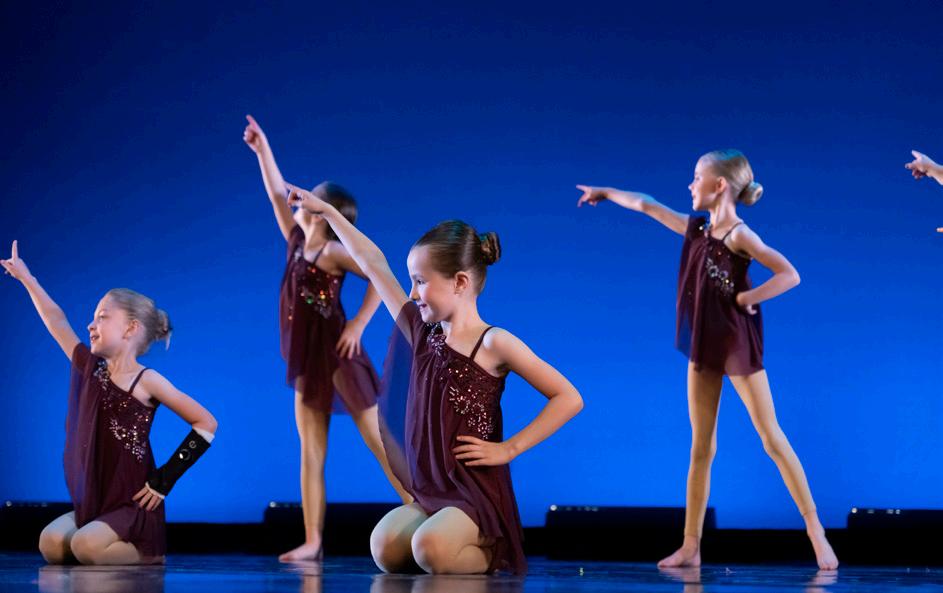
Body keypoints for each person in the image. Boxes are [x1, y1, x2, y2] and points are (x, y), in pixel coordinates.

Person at [288, 186, 583, 574]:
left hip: (473, 494)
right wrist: (328, 212)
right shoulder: (421, 333)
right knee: (383, 548)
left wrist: (509, 449)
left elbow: (568, 397)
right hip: (432, 489)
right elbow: (373, 263)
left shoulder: (493, 342)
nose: (412, 293)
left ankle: (493, 551)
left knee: (429, 549)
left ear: (459, 282)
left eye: (420, 281)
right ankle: (441, 542)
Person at [576, 149, 838, 570]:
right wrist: (605, 192)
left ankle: (815, 531)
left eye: (697, 177)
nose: (690, 184)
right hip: (704, 343)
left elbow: (789, 273)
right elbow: (647, 205)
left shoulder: (740, 235)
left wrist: (749, 297)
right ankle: (691, 546)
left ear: (719, 186)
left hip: (736, 342)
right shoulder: (696, 229)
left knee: (770, 437)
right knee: (702, 446)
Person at [243, 115, 410, 562]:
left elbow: (377, 275)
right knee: (311, 452)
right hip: (307, 360)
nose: (298, 198)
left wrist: (357, 325)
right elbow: (276, 193)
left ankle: (422, 507)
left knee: (380, 442)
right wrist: (262, 149)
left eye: (309, 196)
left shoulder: (334, 251)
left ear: (323, 210)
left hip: (338, 355)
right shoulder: (298, 241)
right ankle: (313, 540)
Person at [1, 241, 217, 565]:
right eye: (93, 318)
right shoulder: (90, 370)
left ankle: (149, 554)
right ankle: (98, 538)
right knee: (50, 543)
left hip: (132, 503)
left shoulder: (146, 380)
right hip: (96, 499)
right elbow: (57, 321)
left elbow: (206, 423)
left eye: (102, 317)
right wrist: (27, 279)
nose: (91, 325)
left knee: (85, 546)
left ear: (131, 328)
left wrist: (165, 479)